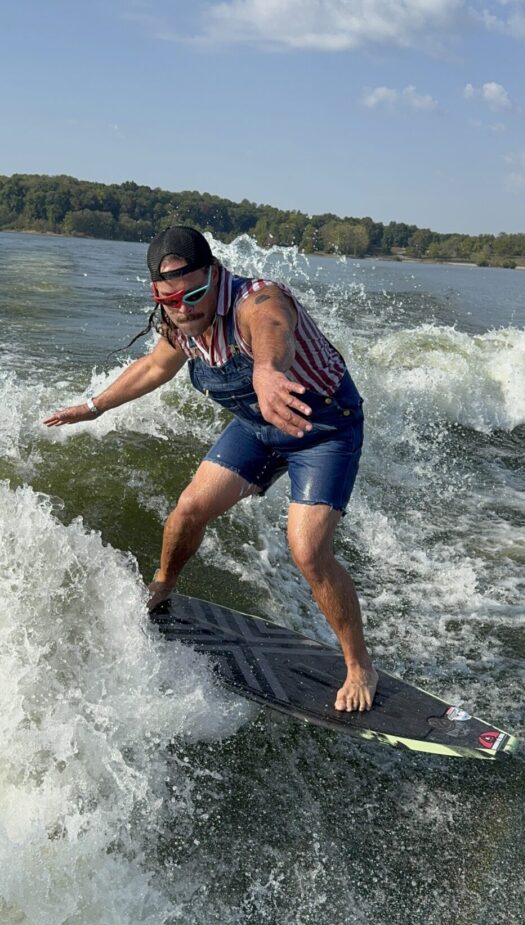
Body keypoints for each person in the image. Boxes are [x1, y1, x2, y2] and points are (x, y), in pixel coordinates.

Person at [44, 226, 378, 712]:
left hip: (322, 428)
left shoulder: (255, 300)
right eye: (168, 298)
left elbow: (273, 329)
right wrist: (95, 406)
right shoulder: (179, 322)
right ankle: (162, 588)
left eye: (194, 293)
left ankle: (358, 665)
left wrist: (267, 371)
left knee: (307, 551)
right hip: (257, 425)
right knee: (188, 510)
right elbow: (155, 367)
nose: (184, 308)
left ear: (216, 275)